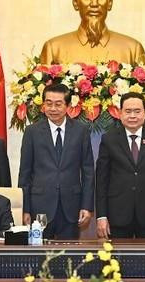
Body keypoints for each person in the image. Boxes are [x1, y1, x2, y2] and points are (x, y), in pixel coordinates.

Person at [17, 84, 95, 239]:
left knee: (69, 258)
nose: (53, 108)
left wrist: (86, 206)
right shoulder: (32, 132)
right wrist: (25, 208)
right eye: (49, 103)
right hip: (40, 206)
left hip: (71, 206)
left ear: (67, 106)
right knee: (40, 256)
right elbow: (25, 172)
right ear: (43, 105)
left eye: (58, 104)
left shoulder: (81, 131)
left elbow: (88, 171)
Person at [96, 92, 145, 238]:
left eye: (137, 111)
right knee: (116, 260)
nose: (132, 116)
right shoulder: (109, 139)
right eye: (128, 111)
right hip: (117, 214)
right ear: (119, 113)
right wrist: (101, 216)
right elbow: (101, 180)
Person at [39, 0, 145, 65]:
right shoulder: (54, 48)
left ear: (109, 2)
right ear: (75, 2)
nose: (94, 3)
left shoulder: (133, 49)